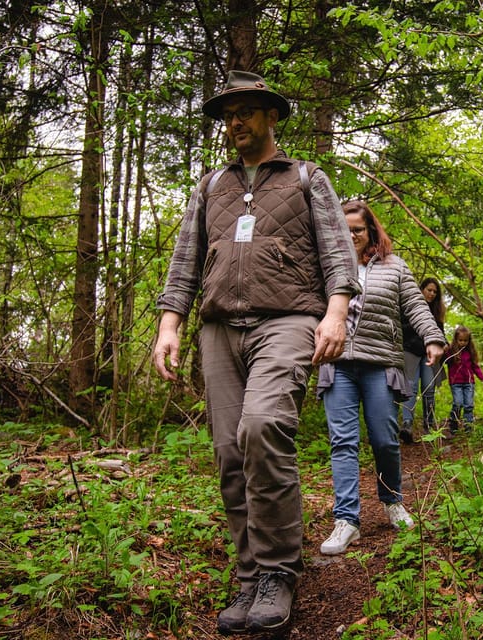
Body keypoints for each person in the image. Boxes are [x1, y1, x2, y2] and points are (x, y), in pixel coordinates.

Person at [152, 70, 360, 636]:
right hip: (218, 329)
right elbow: (184, 264)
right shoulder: (208, 188)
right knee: (228, 450)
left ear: (271, 116)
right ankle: (249, 577)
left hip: (288, 319)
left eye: (246, 111)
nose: (235, 122)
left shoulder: (305, 179)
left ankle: (278, 572)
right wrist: (169, 325)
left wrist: (336, 312)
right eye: (227, 114)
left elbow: (338, 255)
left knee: (263, 426)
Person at [316, 200, 446, 555]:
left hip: (380, 363)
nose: (351, 236)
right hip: (336, 362)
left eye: (357, 229)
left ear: (371, 231)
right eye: (345, 230)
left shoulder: (394, 266)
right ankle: (347, 520)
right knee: (342, 441)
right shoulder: (324, 264)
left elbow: (416, 306)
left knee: (384, 439)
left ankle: (392, 501)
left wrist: (433, 336)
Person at [400, 277, 446, 442]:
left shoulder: (436, 312)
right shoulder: (410, 305)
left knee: (429, 388)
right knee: (410, 387)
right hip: (410, 350)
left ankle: (429, 425)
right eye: (429, 290)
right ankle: (407, 424)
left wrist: (443, 345)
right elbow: (402, 327)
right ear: (421, 289)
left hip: (428, 354)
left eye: (435, 291)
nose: (432, 294)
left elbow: (440, 333)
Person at [443, 325, 483, 433]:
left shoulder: (470, 352)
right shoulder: (452, 351)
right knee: (458, 403)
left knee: (469, 404)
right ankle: (453, 422)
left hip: (469, 382)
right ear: (456, 339)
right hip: (455, 382)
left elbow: (475, 366)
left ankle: (468, 426)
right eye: (460, 340)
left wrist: (481, 376)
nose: (463, 343)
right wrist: (445, 351)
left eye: (465, 340)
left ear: (469, 340)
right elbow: (446, 361)